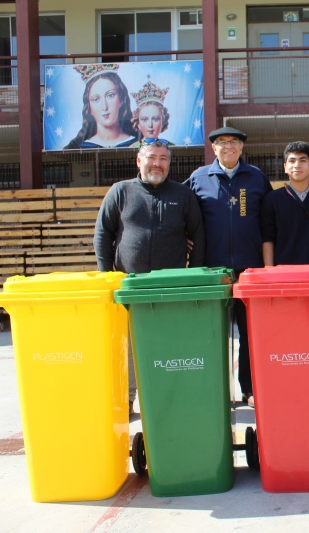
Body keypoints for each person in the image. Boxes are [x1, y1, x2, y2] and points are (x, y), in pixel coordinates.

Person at [94, 139, 205, 415]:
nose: (158, 163)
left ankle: (169, 392)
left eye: (164, 158)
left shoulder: (182, 194)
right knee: (130, 344)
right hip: (129, 284)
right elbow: (103, 234)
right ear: (139, 160)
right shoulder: (120, 192)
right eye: (152, 157)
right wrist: (108, 277)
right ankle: (131, 395)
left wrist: (194, 276)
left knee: (169, 341)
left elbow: (199, 235)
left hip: (171, 286)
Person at [184, 127, 272, 408]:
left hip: (250, 271)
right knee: (213, 335)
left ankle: (249, 389)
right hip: (213, 272)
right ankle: (216, 388)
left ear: (242, 148)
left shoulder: (256, 178)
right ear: (213, 148)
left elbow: (269, 220)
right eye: (222, 143)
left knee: (250, 335)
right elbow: (183, 214)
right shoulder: (199, 178)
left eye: (233, 142)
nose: (228, 147)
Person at [261, 142, 309, 267]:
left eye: (303, 160)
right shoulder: (272, 199)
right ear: (285, 167)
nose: (297, 165)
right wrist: (269, 269)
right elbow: (267, 238)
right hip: (284, 270)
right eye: (292, 161)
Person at [65, 64, 137, 149]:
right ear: (89, 108)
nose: (104, 107)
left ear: (121, 99)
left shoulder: (137, 143)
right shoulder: (79, 147)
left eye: (110, 95)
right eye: (96, 99)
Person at [130, 78, 172, 147]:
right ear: (138, 123)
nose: (150, 125)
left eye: (155, 119)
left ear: (163, 122)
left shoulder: (170, 147)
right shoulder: (132, 148)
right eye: (144, 119)